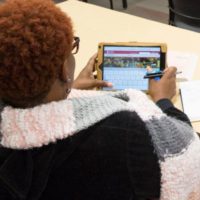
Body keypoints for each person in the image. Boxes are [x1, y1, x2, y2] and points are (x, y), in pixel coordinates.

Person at [0, 0, 200, 200]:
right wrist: (163, 100)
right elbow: (189, 153)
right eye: (72, 46)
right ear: (62, 70)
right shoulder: (124, 130)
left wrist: (70, 88)